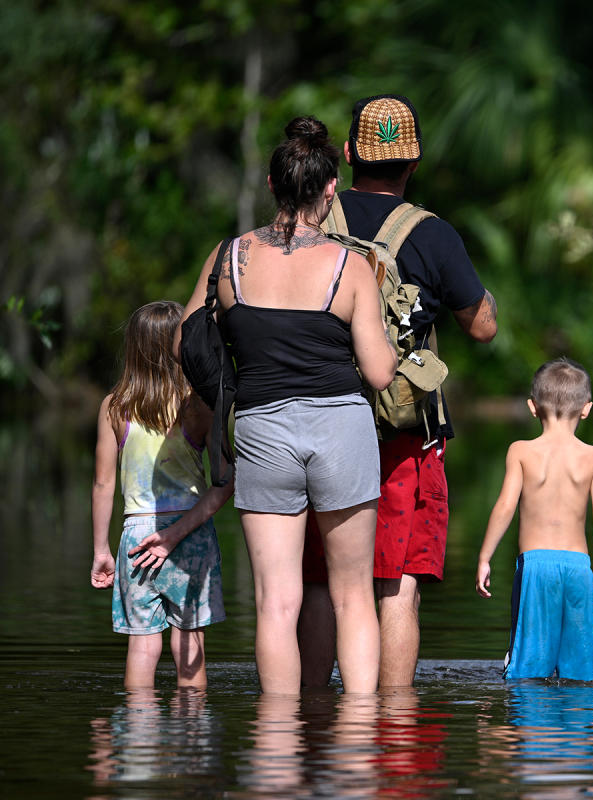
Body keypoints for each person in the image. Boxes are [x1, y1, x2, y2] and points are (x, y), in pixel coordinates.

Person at [178, 116, 396, 694]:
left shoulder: (229, 259)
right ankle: (355, 738)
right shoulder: (350, 266)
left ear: (272, 184)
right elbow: (377, 372)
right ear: (331, 190)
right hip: (340, 431)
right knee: (353, 597)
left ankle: (276, 745)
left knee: (276, 602)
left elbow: (184, 340)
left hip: (261, 428)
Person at [298, 94, 498, 688]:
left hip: (318, 422)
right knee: (397, 586)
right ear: (414, 163)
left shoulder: (309, 225)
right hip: (401, 434)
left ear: (352, 155)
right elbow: (482, 327)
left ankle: (305, 721)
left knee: (315, 580)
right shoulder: (432, 235)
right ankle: (392, 726)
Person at [90, 300, 232, 690]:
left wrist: (101, 549)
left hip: (137, 536)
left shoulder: (114, 407)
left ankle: (139, 737)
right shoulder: (198, 405)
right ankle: (192, 738)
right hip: (191, 533)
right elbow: (225, 480)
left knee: (142, 647)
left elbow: (103, 484)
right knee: (189, 644)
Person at [474, 358, 593, 681]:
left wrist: (484, 557)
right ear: (587, 409)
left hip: (535, 567)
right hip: (579, 567)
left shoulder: (521, 452)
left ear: (532, 407)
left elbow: (505, 507)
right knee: (583, 674)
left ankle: (532, 728)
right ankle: (587, 730)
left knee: (527, 668)